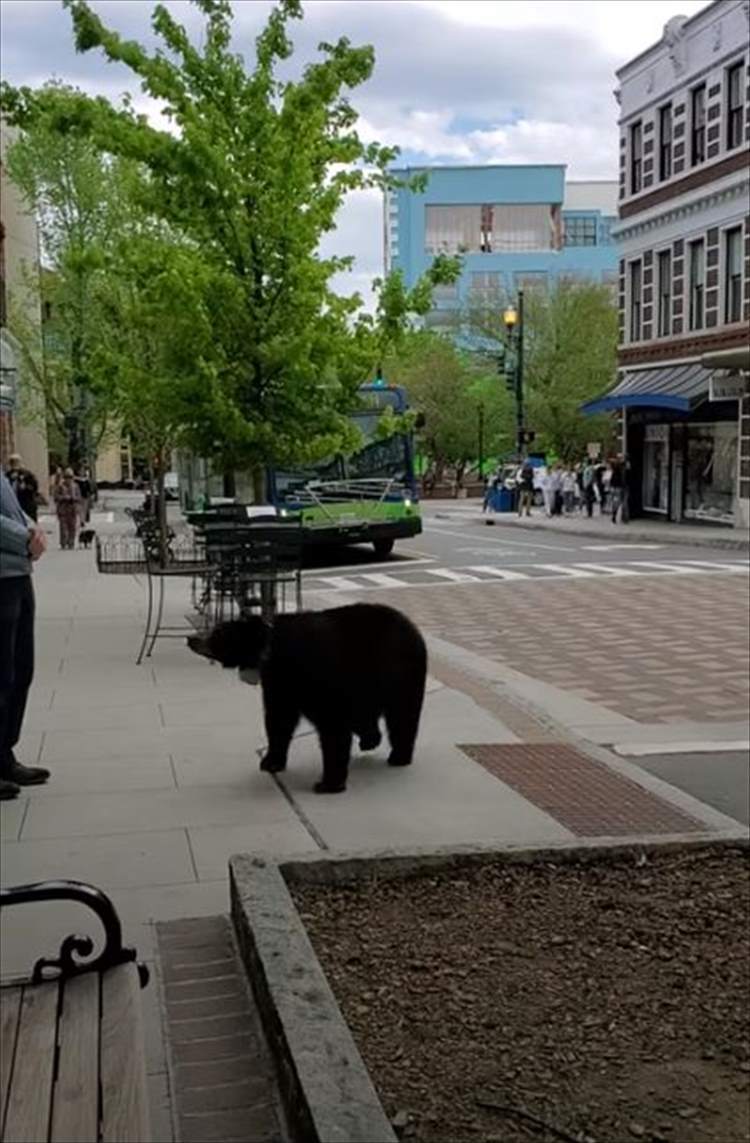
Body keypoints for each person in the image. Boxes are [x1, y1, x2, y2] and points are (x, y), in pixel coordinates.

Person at [0, 470, 50, 800]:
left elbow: (12, 509)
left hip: (17, 573)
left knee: (20, 670)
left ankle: (4, 754)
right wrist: (25, 537)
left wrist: (33, 527)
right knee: (2, 674)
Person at [6, 453, 40, 521]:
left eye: (16, 462)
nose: (14, 464)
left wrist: (25, 487)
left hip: (26, 504)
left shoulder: (27, 474)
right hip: (13, 505)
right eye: (12, 462)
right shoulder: (8, 475)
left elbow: (34, 487)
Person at [53, 467, 81, 549]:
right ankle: (63, 543)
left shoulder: (75, 486)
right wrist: (64, 497)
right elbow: (56, 497)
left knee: (72, 527)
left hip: (73, 509)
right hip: (63, 510)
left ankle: (71, 542)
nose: (69, 479)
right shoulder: (60, 486)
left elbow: (79, 497)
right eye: (67, 477)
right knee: (63, 528)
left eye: (70, 477)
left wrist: (74, 498)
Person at [609, 454, 629, 524]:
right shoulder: (619, 466)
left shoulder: (620, 466)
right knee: (619, 502)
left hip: (619, 486)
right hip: (619, 487)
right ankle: (616, 517)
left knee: (621, 503)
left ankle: (622, 517)